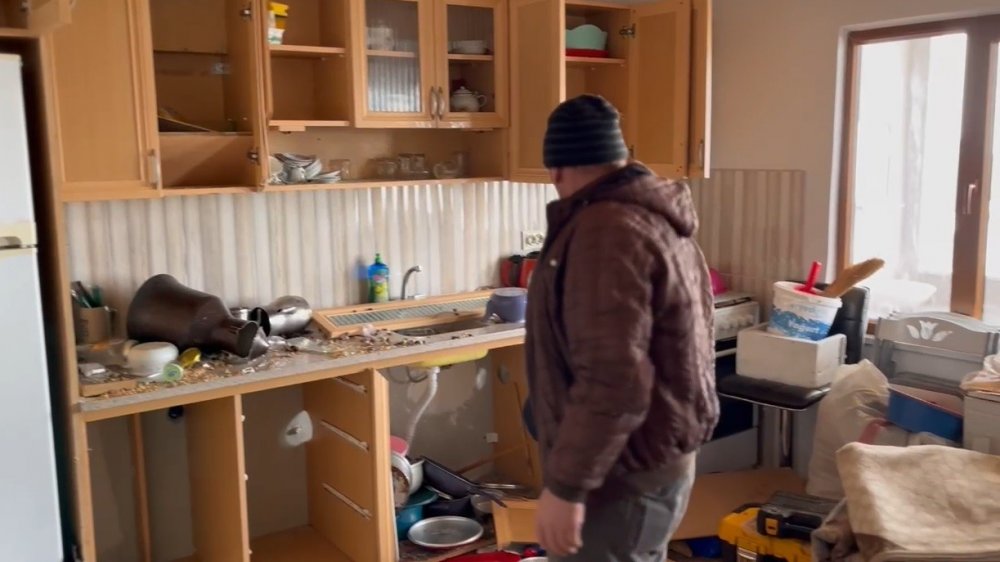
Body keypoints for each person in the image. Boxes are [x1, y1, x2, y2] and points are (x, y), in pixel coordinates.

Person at [524, 94, 719, 561]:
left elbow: (614, 378)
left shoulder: (606, 231)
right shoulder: (648, 214)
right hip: (653, 460)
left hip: (620, 479)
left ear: (557, 169)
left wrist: (566, 488)